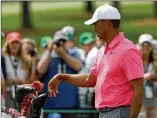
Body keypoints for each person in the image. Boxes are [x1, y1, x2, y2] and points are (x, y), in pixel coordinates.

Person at [48, 4, 144, 118]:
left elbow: (138, 89)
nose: (94, 28)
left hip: (120, 112)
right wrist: (62, 77)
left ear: (106, 22)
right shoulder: (102, 51)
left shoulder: (127, 50)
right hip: (105, 113)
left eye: (96, 23)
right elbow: (90, 80)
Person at [37, 31, 83, 118]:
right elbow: (40, 70)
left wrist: (62, 54)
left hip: (70, 104)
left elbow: (78, 67)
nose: (61, 44)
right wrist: (49, 51)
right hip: (50, 104)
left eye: (63, 41)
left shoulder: (74, 54)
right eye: (58, 41)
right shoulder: (47, 55)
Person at [2, 32, 31, 109]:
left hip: (23, 92)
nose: (15, 45)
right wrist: (10, 81)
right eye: (12, 43)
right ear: (8, 44)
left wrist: (21, 82)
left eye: (17, 42)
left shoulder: (26, 59)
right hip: (8, 91)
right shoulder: (3, 58)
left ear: (20, 44)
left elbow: (29, 80)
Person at [138, 34, 157, 118]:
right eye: (143, 45)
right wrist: (145, 76)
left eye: (148, 45)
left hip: (153, 101)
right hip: (140, 102)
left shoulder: (154, 61)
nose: (146, 47)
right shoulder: (135, 60)